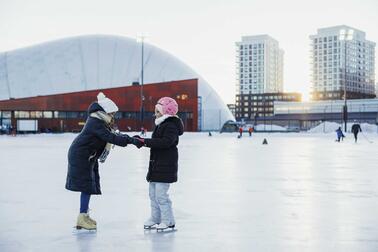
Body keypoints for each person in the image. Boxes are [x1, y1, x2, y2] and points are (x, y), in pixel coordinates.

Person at [66, 92, 141, 231]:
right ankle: (82, 218)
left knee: (88, 185)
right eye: (112, 113)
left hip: (87, 155)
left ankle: (84, 215)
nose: (113, 116)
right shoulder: (96, 122)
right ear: (104, 111)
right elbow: (112, 138)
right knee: (86, 186)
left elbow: (114, 135)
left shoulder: (100, 121)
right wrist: (132, 141)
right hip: (81, 155)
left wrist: (131, 138)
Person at [133, 97, 184, 232]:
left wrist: (145, 142)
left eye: (157, 111)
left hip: (165, 166)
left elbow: (166, 142)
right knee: (153, 195)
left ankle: (168, 221)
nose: (155, 113)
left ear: (166, 112)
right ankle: (156, 218)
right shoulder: (161, 124)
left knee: (161, 195)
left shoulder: (171, 125)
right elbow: (157, 142)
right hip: (156, 166)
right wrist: (144, 141)